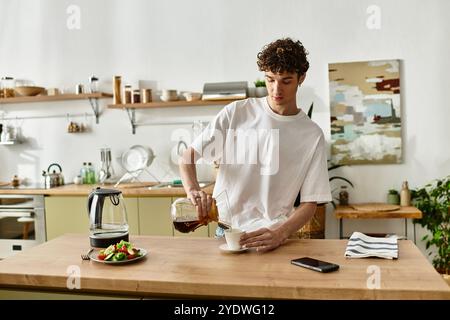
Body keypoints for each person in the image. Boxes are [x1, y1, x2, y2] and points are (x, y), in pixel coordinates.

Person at [179, 38, 331, 252]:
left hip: (273, 237)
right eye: (270, 79)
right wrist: (193, 190)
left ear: (301, 78)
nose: (276, 89)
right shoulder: (237, 113)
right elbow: (188, 157)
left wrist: (281, 233)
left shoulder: (311, 135)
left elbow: (310, 204)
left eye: (286, 81)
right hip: (227, 232)